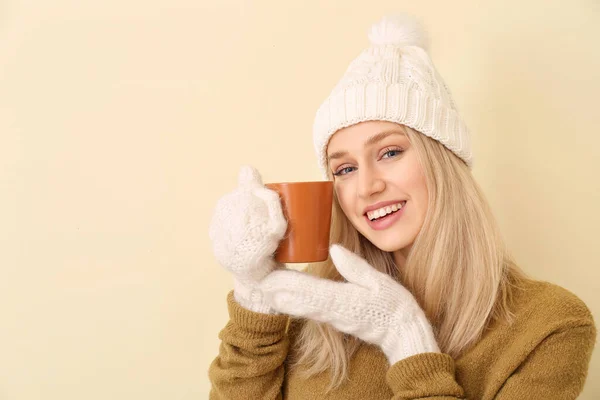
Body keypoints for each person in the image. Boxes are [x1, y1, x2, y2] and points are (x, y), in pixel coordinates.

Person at [207, 14, 596, 400]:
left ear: (443, 161)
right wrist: (255, 295)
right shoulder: (315, 304)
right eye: (344, 168)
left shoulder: (551, 325)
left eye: (390, 152)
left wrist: (405, 336)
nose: (367, 187)